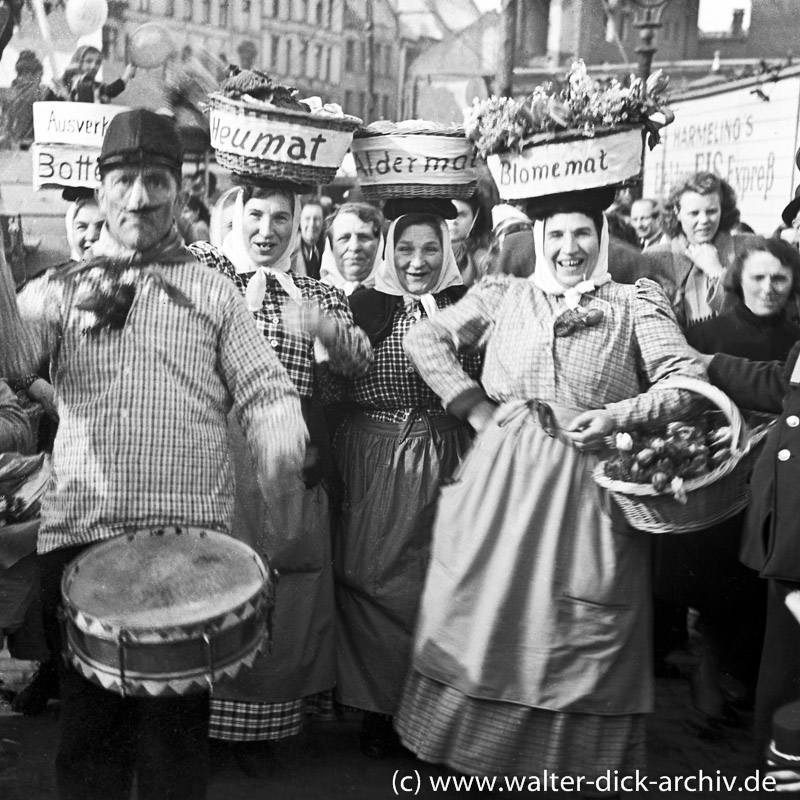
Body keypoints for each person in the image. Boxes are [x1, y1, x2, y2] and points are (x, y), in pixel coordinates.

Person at [2, 108, 306, 800]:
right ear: (101, 189)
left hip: (188, 549)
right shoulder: (62, 287)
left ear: (180, 187)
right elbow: (18, 368)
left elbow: (264, 385)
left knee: (174, 744)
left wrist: (279, 434)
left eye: (156, 180)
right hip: (81, 539)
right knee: (89, 741)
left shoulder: (214, 288)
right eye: (125, 181)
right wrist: (14, 295)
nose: (140, 197)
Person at [394, 187, 707, 783]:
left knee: (575, 626)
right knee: (482, 613)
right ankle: (477, 761)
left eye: (582, 234)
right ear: (540, 241)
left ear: (602, 239)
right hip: (501, 479)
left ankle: (569, 768)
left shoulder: (634, 301)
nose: (569, 248)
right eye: (557, 235)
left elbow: (685, 380)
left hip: (588, 487)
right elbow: (425, 339)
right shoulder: (506, 295)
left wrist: (620, 416)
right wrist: (476, 410)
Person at [190, 180, 372, 775]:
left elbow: (358, 362)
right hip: (216, 458)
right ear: (235, 218)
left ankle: (262, 729)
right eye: (256, 216)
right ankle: (204, 721)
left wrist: (321, 328)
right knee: (212, 583)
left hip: (290, 459)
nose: (266, 230)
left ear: (297, 226)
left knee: (284, 587)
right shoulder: (211, 273)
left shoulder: (318, 293)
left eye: (280, 218)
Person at [333, 200, 481, 758]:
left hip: (450, 451)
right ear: (389, 251)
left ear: (447, 251)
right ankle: (381, 709)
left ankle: (435, 715)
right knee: (376, 579)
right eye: (405, 248)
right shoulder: (364, 305)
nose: (417, 261)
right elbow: (338, 386)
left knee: (442, 585)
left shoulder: (465, 305)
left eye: (429, 249)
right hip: (380, 453)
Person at [657, 237, 800, 740]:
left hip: (772, 490)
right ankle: (709, 679)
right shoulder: (704, 332)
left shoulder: (795, 338)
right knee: (717, 587)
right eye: (758, 277)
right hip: (716, 483)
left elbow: (780, 385)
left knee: (755, 594)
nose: (768, 288)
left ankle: (737, 679)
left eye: (779, 279)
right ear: (738, 279)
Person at [638, 172, 759, 329]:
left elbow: (755, 313)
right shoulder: (655, 257)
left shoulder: (747, 248)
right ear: (677, 212)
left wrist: (715, 271)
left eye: (711, 211)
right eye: (694, 213)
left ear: (723, 210)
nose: (704, 221)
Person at [319, 202, 383, 296]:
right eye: (344, 238)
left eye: (363, 237)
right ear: (331, 247)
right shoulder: (314, 297)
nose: (354, 247)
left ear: (379, 244)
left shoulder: (397, 296)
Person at [0, 50, 60, 149]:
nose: (40, 80)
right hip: (25, 146)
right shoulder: (42, 92)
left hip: (13, 145)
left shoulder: (5, 93)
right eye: (39, 76)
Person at [61, 44, 136, 104]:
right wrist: (126, 76)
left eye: (98, 63)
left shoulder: (69, 81)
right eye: (88, 61)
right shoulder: (78, 80)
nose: (93, 66)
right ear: (78, 61)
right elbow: (109, 91)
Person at [447, 191, 493, 287]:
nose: (453, 221)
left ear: (475, 218)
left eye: (461, 215)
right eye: (447, 215)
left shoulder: (485, 258)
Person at [291, 200, 326, 279]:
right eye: (307, 218)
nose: (312, 224)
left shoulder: (328, 250)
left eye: (317, 219)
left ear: (323, 223)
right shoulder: (289, 251)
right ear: (300, 222)